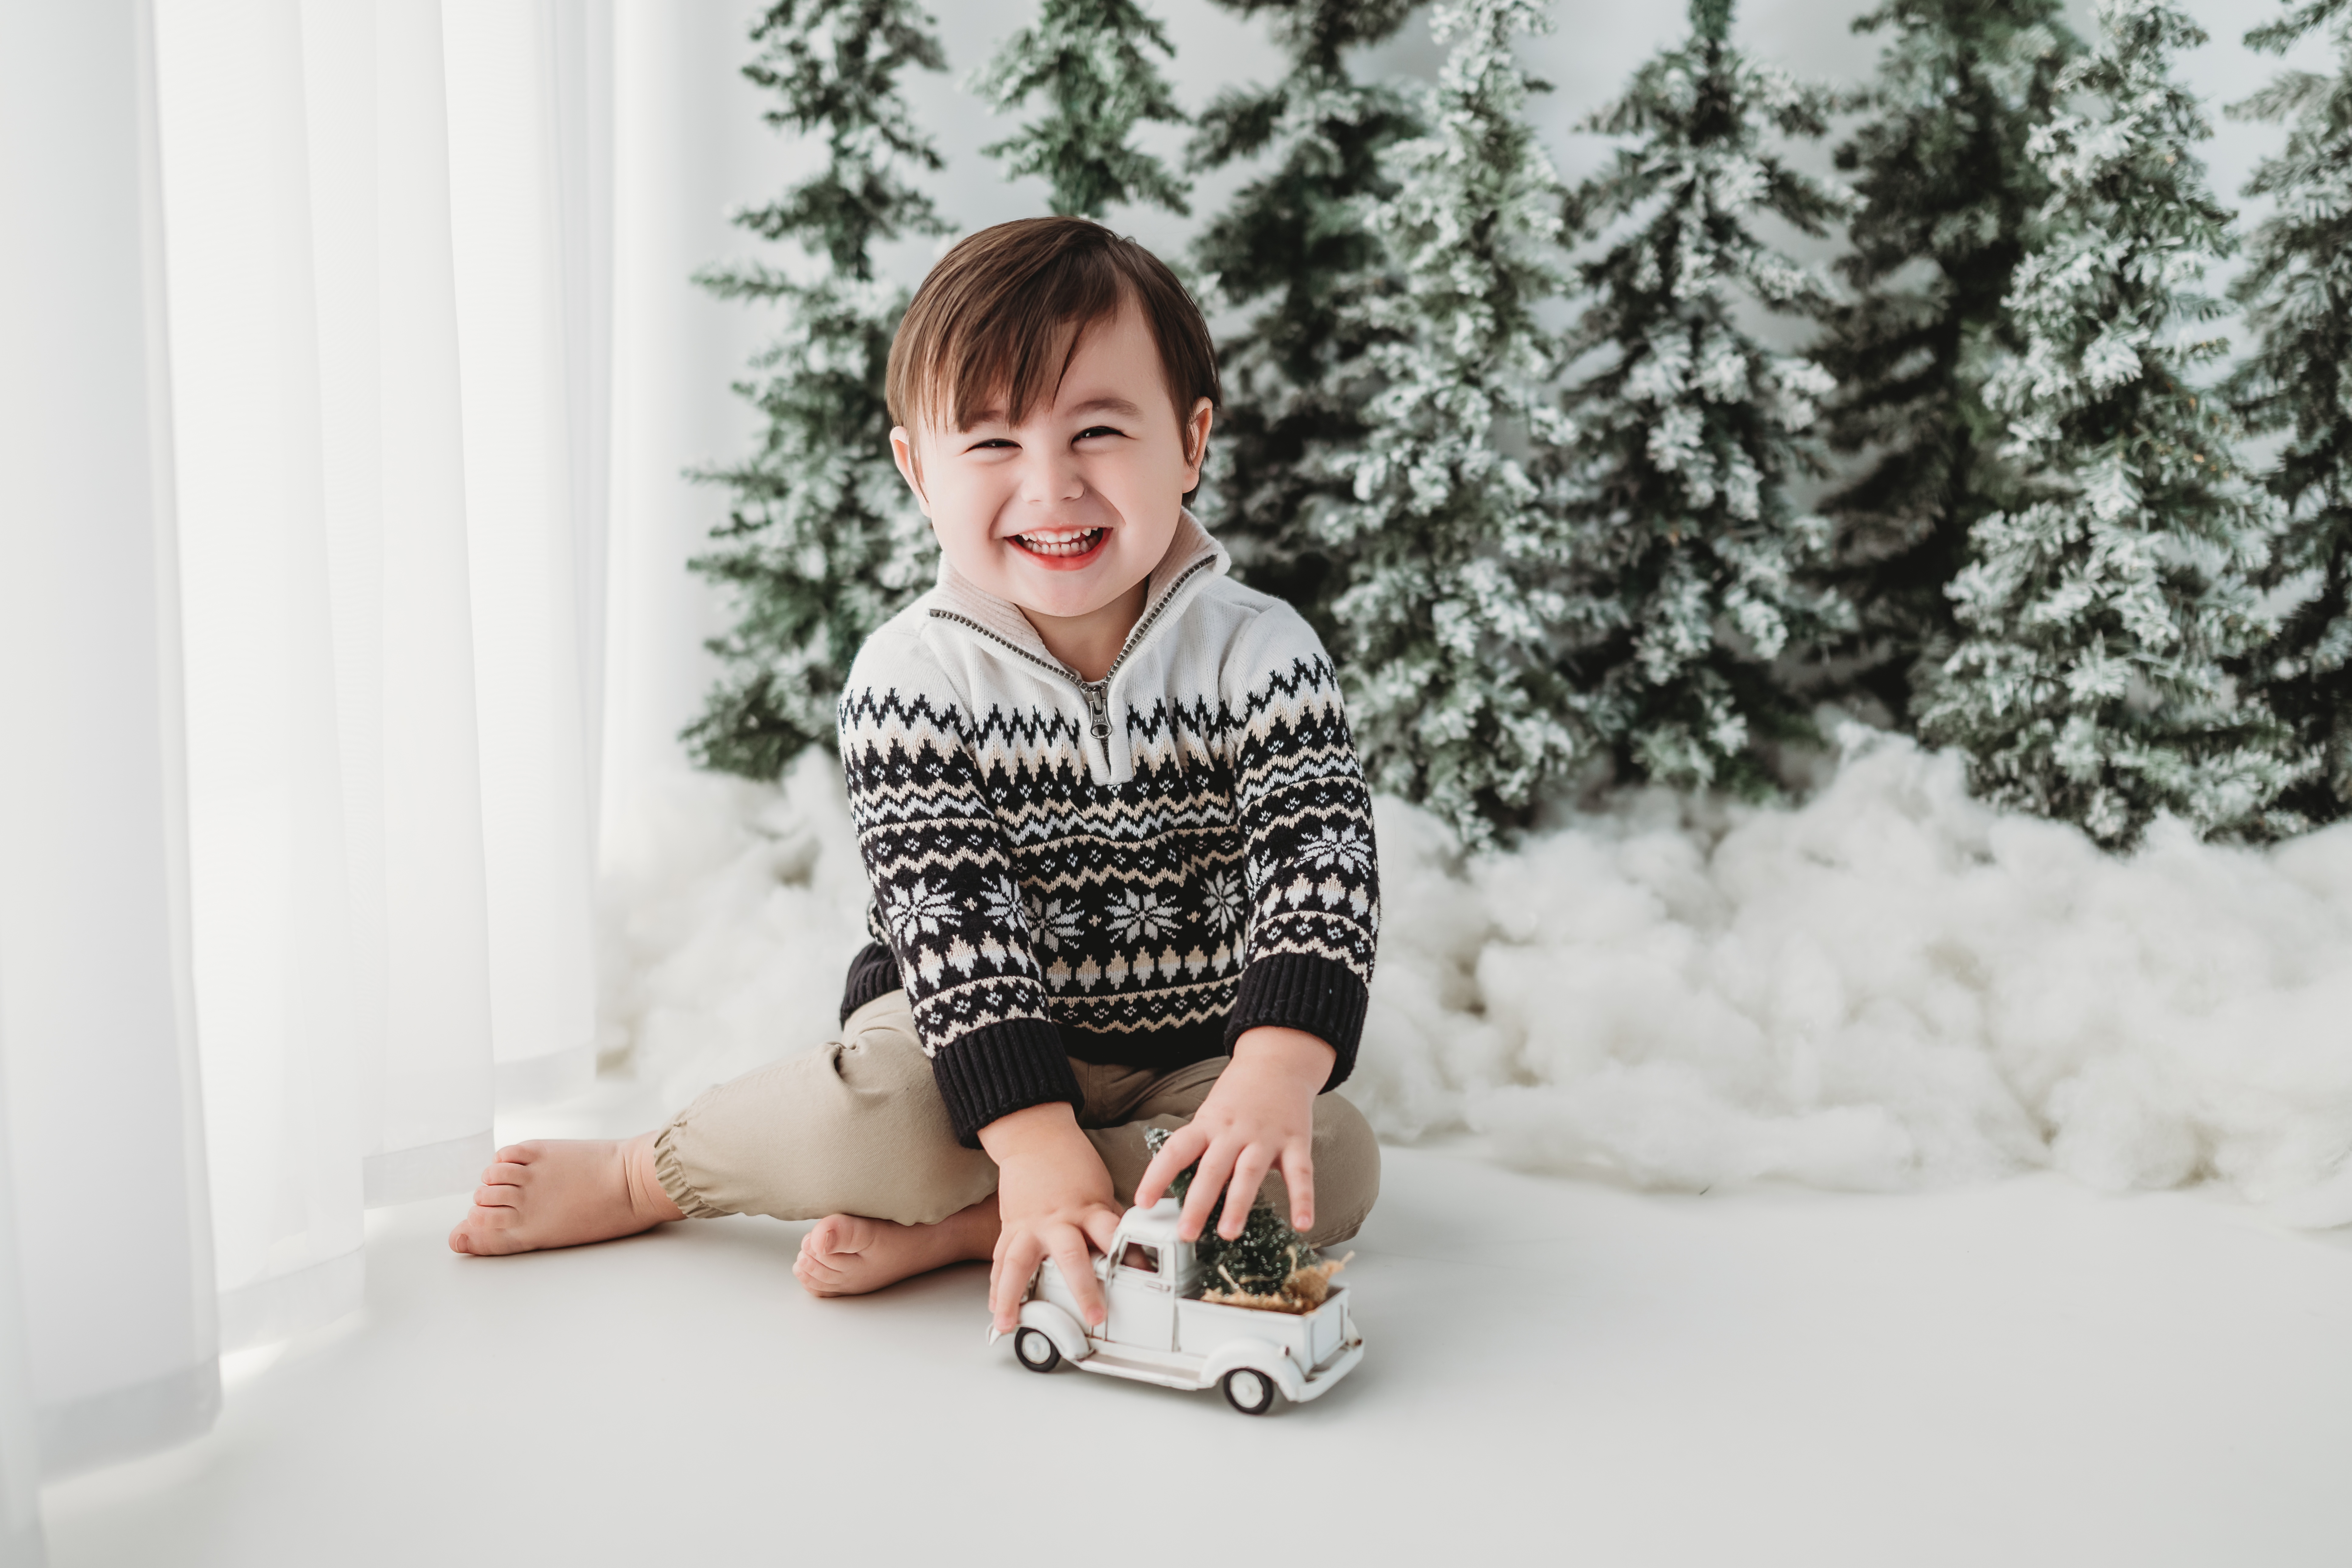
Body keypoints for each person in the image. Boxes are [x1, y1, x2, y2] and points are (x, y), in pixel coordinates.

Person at [447, 216, 1381, 1335]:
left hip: (1189, 1054)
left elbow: (1319, 856)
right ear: (916, 469)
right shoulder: (909, 674)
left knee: (1328, 1157)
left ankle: (973, 1225)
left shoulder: (1260, 650)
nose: (1051, 485)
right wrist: (1030, 1135)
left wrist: (1272, 1064)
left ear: (1189, 442)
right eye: (991, 445)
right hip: (958, 1037)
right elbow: (954, 919)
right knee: (874, 1125)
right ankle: (647, 1172)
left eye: (1097, 430)